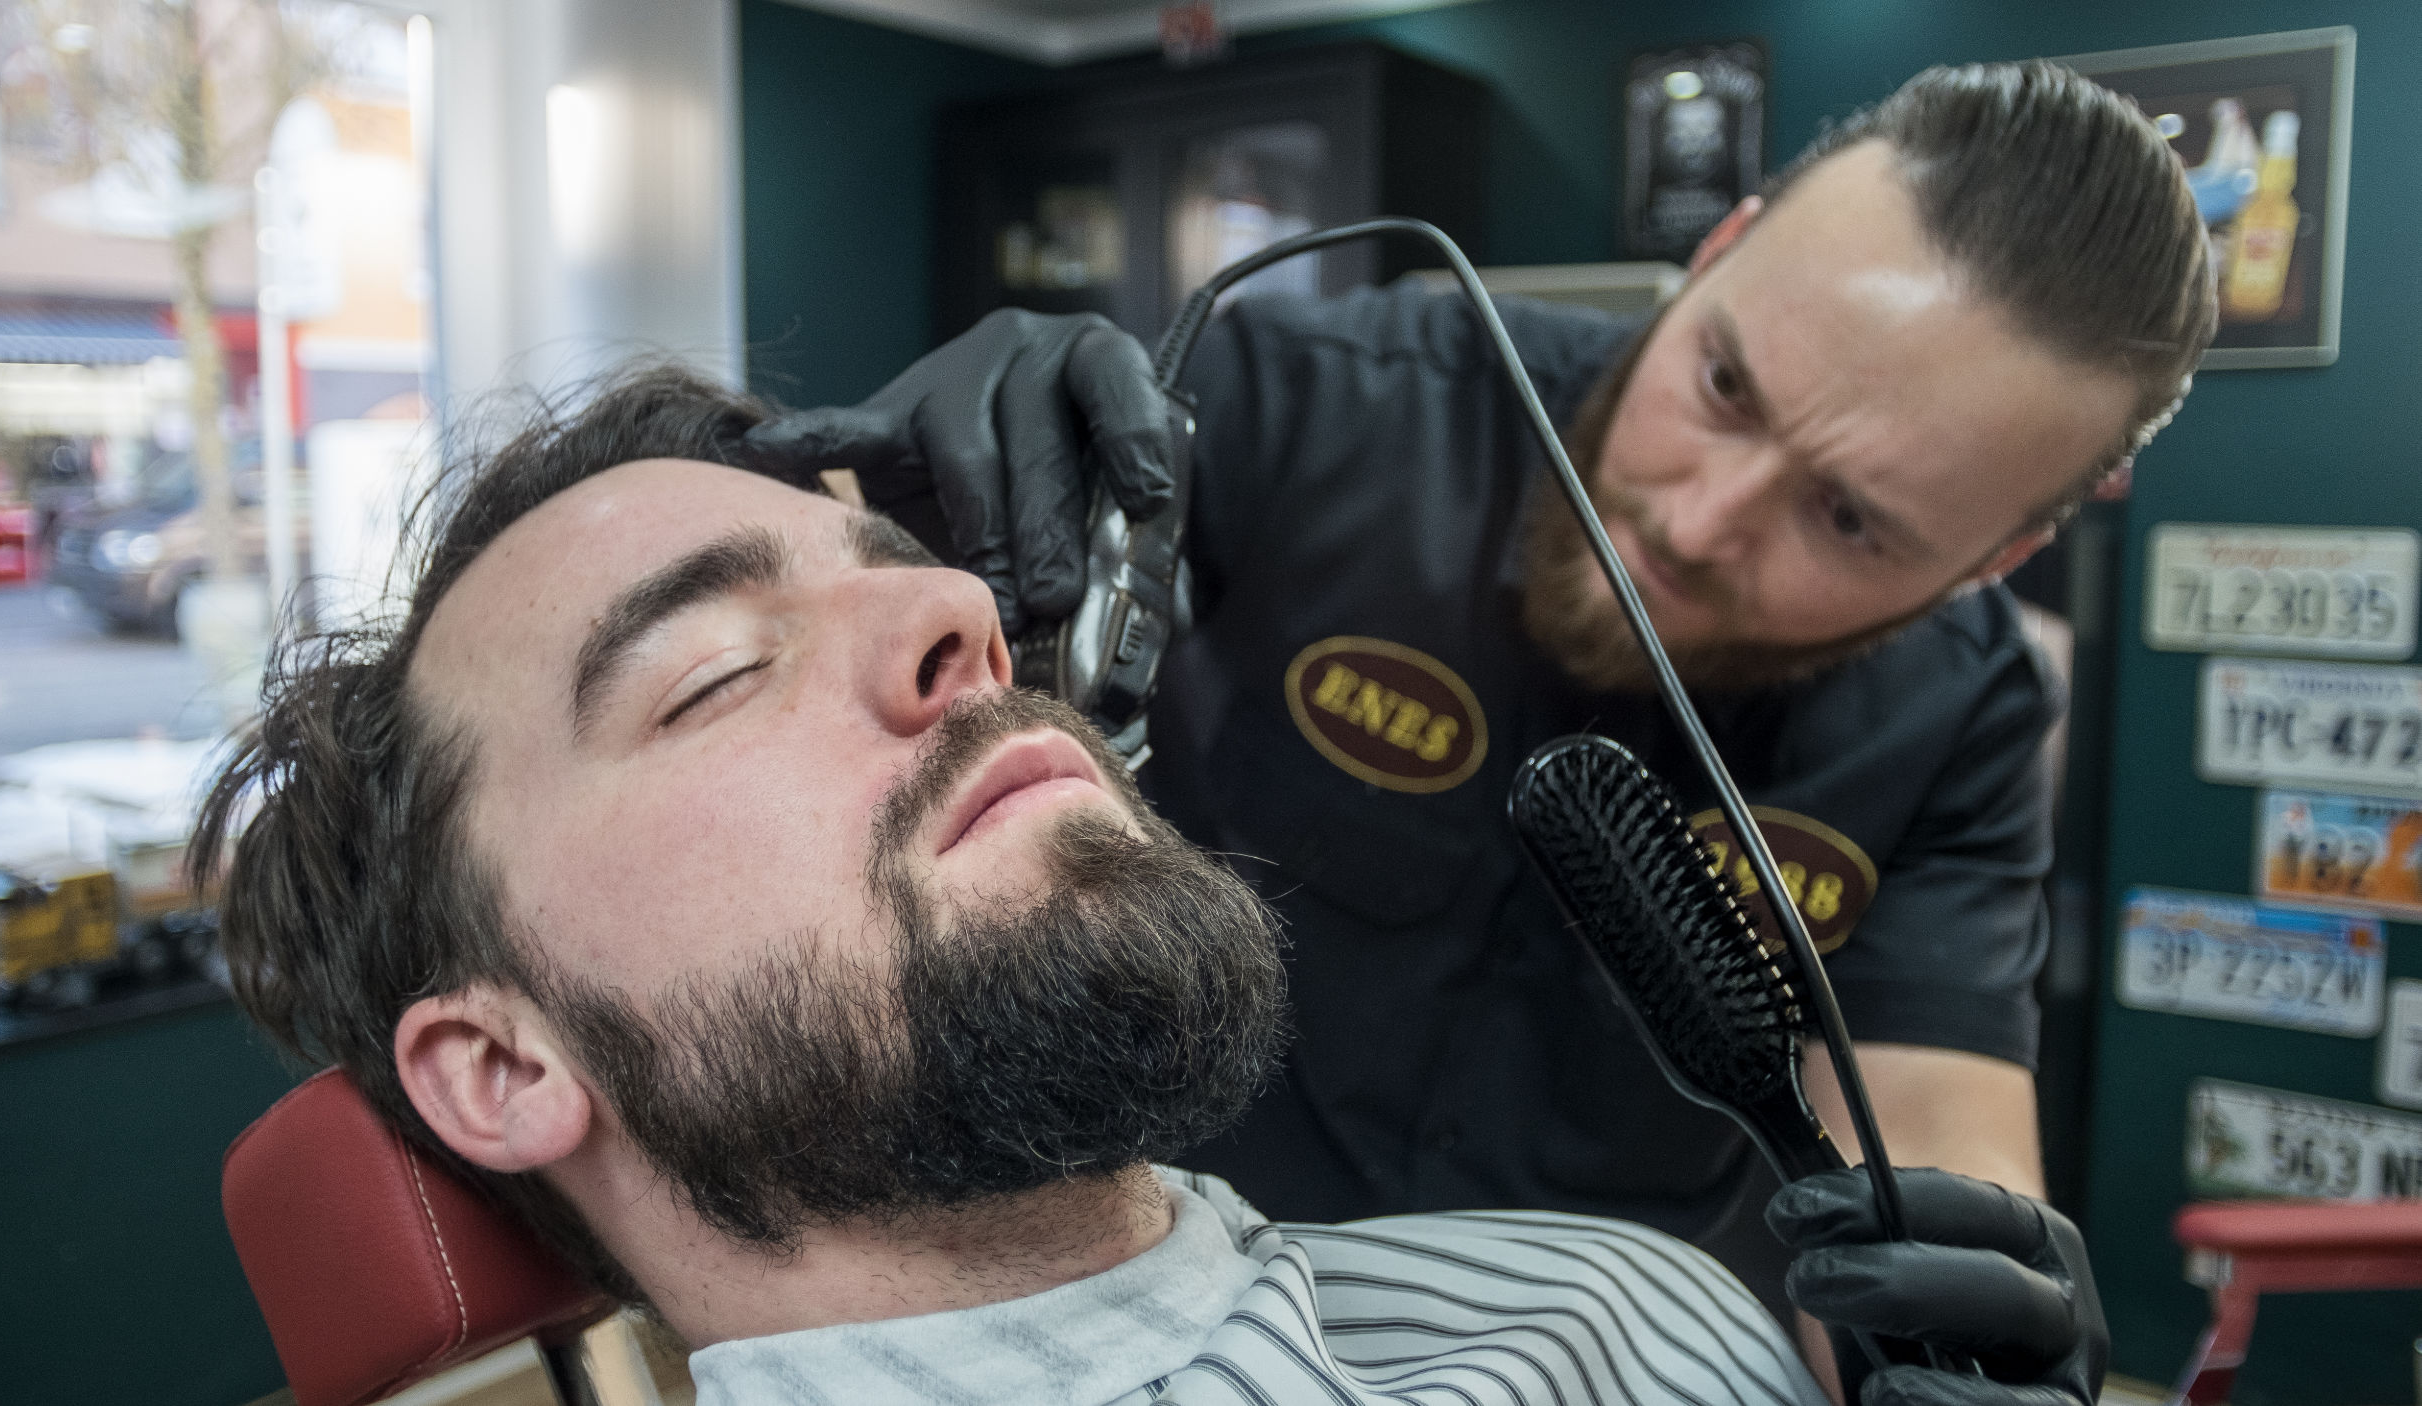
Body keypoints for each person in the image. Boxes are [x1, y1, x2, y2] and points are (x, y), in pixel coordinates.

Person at [195, 367, 2104, 1406]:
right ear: (504, 1067)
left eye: (901, 563)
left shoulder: (1638, 1310)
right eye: (708, 672)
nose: (959, 605)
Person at [738, 60, 2216, 1309]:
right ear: (1721, 251)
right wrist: (881, 530)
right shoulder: (1314, 407)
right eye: (1724, 386)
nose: (1698, 522)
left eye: (1849, 519)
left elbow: (1941, 1147)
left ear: (1997, 554)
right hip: (1136, 1296)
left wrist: (1962, 1330)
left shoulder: (1959, 719)